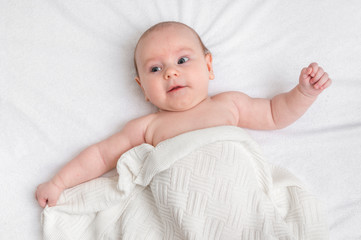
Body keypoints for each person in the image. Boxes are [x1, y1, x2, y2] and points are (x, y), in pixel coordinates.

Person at [35, 21, 331, 208]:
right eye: (155, 68)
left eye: (182, 59)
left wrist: (303, 93)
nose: (171, 72)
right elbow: (100, 156)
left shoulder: (229, 105)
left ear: (209, 66)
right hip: (184, 205)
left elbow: (274, 113)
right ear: (143, 89)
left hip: (241, 198)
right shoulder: (148, 126)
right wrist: (59, 183)